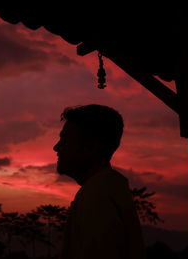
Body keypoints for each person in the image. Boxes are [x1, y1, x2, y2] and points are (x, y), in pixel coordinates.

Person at [53, 104, 146, 259]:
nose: (56, 147)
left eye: (65, 139)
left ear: (91, 146)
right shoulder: (106, 190)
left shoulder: (97, 197)